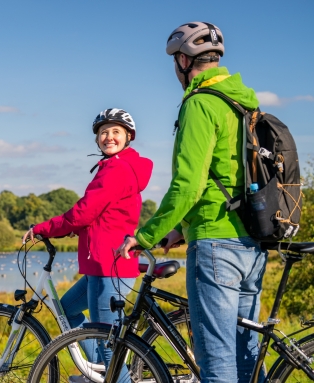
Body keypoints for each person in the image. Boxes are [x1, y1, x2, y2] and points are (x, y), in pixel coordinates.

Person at [117, 22, 267, 383]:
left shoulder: (201, 103)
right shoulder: (242, 101)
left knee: (217, 364)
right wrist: (178, 232)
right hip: (251, 242)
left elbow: (189, 185)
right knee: (247, 362)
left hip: (216, 245)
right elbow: (231, 177)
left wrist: (148, 234)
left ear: (183, 60)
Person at [23, 108, 153, 383]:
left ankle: (114, 378)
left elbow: (83, 211)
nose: (109, 136)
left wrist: (43, 228)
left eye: (116, 131)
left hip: (111, 265)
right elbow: (103, 214)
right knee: (69, 308)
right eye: (103, 132)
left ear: (129, 136)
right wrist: (82, 228)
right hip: (101, 264)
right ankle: (98, 375)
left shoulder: (117, 168)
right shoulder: (114, 166)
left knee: (109, 342)